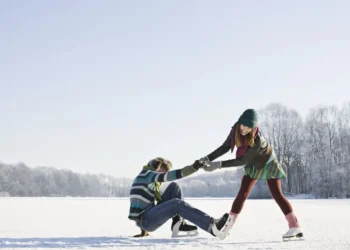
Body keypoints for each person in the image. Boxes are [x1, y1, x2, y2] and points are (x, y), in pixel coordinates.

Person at [200, 109, 303, 240]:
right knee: (242, 193)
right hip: (253, 162)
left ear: (253, 127)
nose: (244, 129)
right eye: (243, 125)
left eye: (249, 127)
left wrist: (218, 165)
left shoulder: (257, 139)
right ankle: (227, 228)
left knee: (276, 194)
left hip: (268, 162)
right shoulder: (235, 130)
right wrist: (208, 158)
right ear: (239, 122)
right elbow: (225, 147)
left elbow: (243, 160)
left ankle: (295, 226)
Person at [128, 157, 229, 239]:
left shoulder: (144, 176)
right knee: (176, 203)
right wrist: (193, 167)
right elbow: (172, 175)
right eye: (163, 171)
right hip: (146, 220)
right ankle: (211, 226)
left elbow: (140, 205)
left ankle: (178, 222)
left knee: (173, 187)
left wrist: (143, 231)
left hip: (146, 218)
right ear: (158, 167)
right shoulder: (148, 174)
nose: (163, 174)